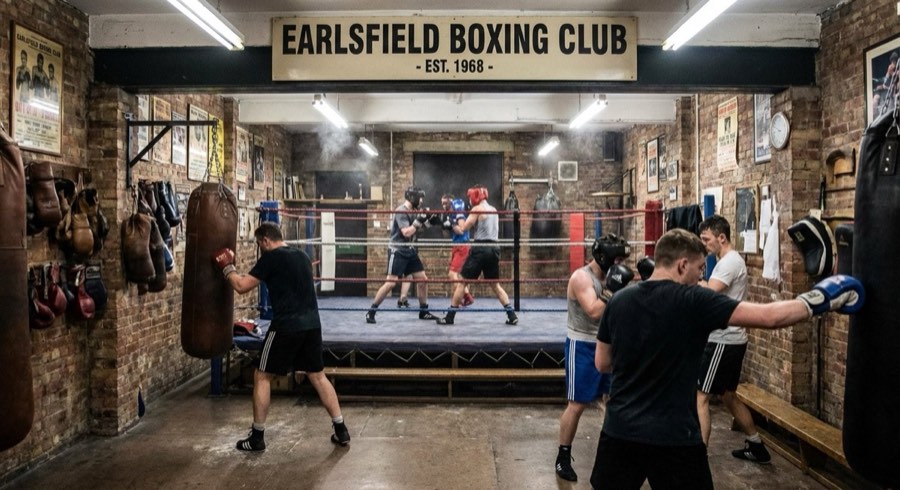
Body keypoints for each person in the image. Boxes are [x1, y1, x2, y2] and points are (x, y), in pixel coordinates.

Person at [591, 228, 863, 489]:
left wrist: (640, 361)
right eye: (699, 269)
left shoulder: (618, 301)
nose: (700, 277)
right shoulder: (694, 299)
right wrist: (822, 298)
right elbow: (769, 317)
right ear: (682, 265)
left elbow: (602, 363)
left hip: (620, 430)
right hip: (674, 436)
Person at [213, 222, 350, 451]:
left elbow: (241, 286)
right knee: (318, 376)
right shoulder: (303, 256)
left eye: (259, 244)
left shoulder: (271, 258)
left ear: (266, 240)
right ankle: (341, 429)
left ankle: (257, 437)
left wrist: (227, 266)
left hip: (286, 326)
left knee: (261, 375)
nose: (260, 248)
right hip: (313, 325)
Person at [555, 235, 632, 482]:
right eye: (617, 258)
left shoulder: (612, 277)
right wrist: (613, 289)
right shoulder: (581, 278)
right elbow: (594, 311)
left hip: (609, 345)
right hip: (583, 345)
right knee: (577, 404)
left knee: (614, 401)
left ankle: (616, 454)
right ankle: (563, 457)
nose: (621, 263)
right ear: (604, 257)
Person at [695, 215, 770, 463]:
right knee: (728, 396)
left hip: (723, 340)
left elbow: (710, 293)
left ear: (721, 237)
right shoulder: (725, 261)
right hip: (732, 339)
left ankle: (698, 457)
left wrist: (687, 276)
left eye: (707, 240)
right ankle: (756, 445)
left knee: (701, 397)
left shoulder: (729, 263)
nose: (705, 244)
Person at [436, 185, 517, 325]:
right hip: (494, 249)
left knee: (461, 282)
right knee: (495, 285)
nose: (469, 199)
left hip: (480, 249)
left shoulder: (477, 209)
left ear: (475, 196)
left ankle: (450, 317)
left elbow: (463, 228)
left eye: (470, 196)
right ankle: (512, 315)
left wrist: (457, 216)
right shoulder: (494, 210)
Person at [366, 185, 438, 323]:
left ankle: (424, 311)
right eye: (420, 198)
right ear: (413, 197)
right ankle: (371, 311)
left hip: (409, 249)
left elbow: (418, 230)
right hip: (398, 249)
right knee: (391, 283)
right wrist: (419, 222)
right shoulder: (401, 211)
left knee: (422, 279)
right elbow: (406, 232)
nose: (421, 201)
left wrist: (430, 223)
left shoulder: (414, 211)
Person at [440, 193, 474, 307]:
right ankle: (460, 300)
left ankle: (466, 296)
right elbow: (447, 234)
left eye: (446, 203)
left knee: (452, 274)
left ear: (452, 202)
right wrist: (445, 225)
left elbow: (461, 230)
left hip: (462, 245)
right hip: (456, 245)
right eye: (442, 204)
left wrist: (452, 224)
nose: (444, 206)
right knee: (459, 275)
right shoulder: (449, 214)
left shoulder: (458, 210)